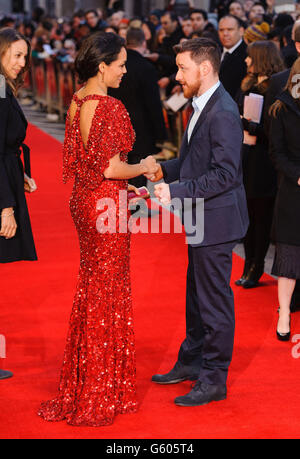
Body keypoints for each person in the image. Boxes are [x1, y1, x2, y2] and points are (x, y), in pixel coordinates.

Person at [38, 32, 158, 427]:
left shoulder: (77, 101)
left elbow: (90, 167)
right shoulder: (109, 106)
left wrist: (129, 189)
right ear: (103, 65)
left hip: (86, 203)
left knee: (93, 288)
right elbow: (110, 167)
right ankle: (101, 389)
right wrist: (143, 167)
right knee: (108, 294)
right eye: (121, 64)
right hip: (106, 205)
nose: (126, 70)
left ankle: (89, 381)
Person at [148, 38, 249, 407]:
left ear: (204, 69)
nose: (177, 77)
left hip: (217, 221)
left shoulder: (221, 111)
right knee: (196, 297)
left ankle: (214, 378)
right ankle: (191, 362)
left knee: (213, 302)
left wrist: (173, 190)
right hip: (202, 219)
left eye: (182, 69)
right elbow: (195, 161)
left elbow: (225, 174)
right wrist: (162, 167)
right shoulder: (201, 104)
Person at [0, 28, 37, 380]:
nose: (21, 63)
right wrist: (5, 206)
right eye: (15, 55)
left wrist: (20, 174)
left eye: (25, 56)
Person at [235, 41, 285, 288]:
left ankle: (256, 267)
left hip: (265, 160)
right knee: (248, 216)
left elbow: (278, 130)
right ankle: (248, 265)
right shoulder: (247, 85)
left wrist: (252, 126)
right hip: (246, 156)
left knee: (262, 216)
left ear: (262, 58)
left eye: (250, 57)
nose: (246, 61)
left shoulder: (275, 87)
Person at [266, 23, 300, 311]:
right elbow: (275, 149)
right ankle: (285, 313)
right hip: (292, 188)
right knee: (290, 254)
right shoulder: (280, 92)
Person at [109, 28, 166, 189]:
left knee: (120, 171)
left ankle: (121, 205)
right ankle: (137, 208)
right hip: (142, 130)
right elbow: (153, 103)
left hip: (116, 127)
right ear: (144, 43)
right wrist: (161, 134)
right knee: (140, 171)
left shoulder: (116, 65)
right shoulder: (146, 67)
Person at [218, 15, 248, 100]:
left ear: (241, 31)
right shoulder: (213, 52)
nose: (225, 34)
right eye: (221, 30)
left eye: (230, 29)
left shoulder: (248, 55)